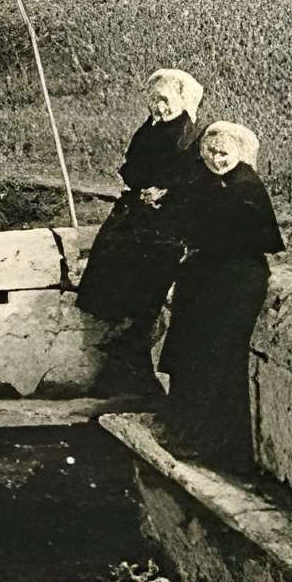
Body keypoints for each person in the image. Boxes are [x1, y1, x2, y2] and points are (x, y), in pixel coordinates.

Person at [158, 120, 284, 472]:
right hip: (205, 274)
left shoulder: (246, 187)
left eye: (223, 153)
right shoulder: (208, 180)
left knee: (216, 357)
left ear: (239, 153)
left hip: (236, 278)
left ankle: (211, 442)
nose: (216, 159)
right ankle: (185, 426)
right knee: (189, 349)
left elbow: (253, 240)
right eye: (210, 152)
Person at [78, 69, 206, 393]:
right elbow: (131, 167)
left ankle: (134, 369)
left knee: (145, 296)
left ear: (183, 101)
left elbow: (194, 182)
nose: (158, 107)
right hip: (137, 217)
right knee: (111, 278)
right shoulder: (149, 130)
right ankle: (121, 366)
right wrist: (140, 190)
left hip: (166, 226)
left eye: (164, 100)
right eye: (154, 100)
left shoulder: (189, 137)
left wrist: (164, 192)